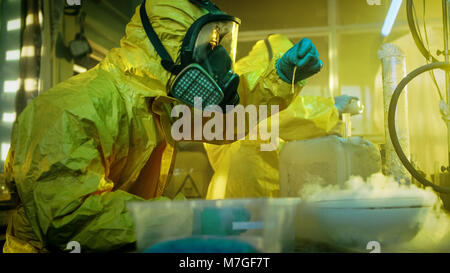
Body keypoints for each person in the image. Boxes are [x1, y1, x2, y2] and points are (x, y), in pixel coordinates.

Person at [2, 0, 322, 253]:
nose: (220, 59)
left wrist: (279, 78)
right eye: (208, 47)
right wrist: (189, 220)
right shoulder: (67, 110)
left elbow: (226, 120)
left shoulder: (162, 104)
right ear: (167, 47)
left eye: (219, 45)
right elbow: (69, 220)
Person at [204, 34, 357, 199]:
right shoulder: (245, 87)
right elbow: (279, 116)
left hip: (232, 193)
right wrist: (331, 108)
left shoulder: (233, 81)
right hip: (248, 191)